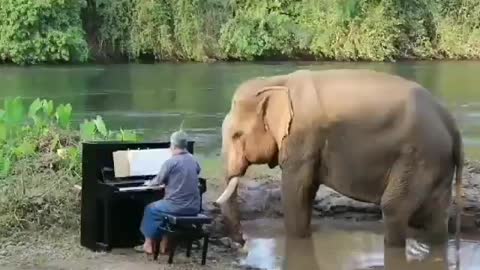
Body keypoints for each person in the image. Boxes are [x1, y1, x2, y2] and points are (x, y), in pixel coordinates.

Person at [138, 130, 201, 254]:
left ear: (173, 145)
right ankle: (164, 243)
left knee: (150, 209)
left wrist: (148, 183)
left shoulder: (171, 162)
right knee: (161, 209)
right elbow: (197, 171)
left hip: (176, 206)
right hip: (194, 206)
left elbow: (158, 181)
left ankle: (148, 244)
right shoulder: (193, 159)